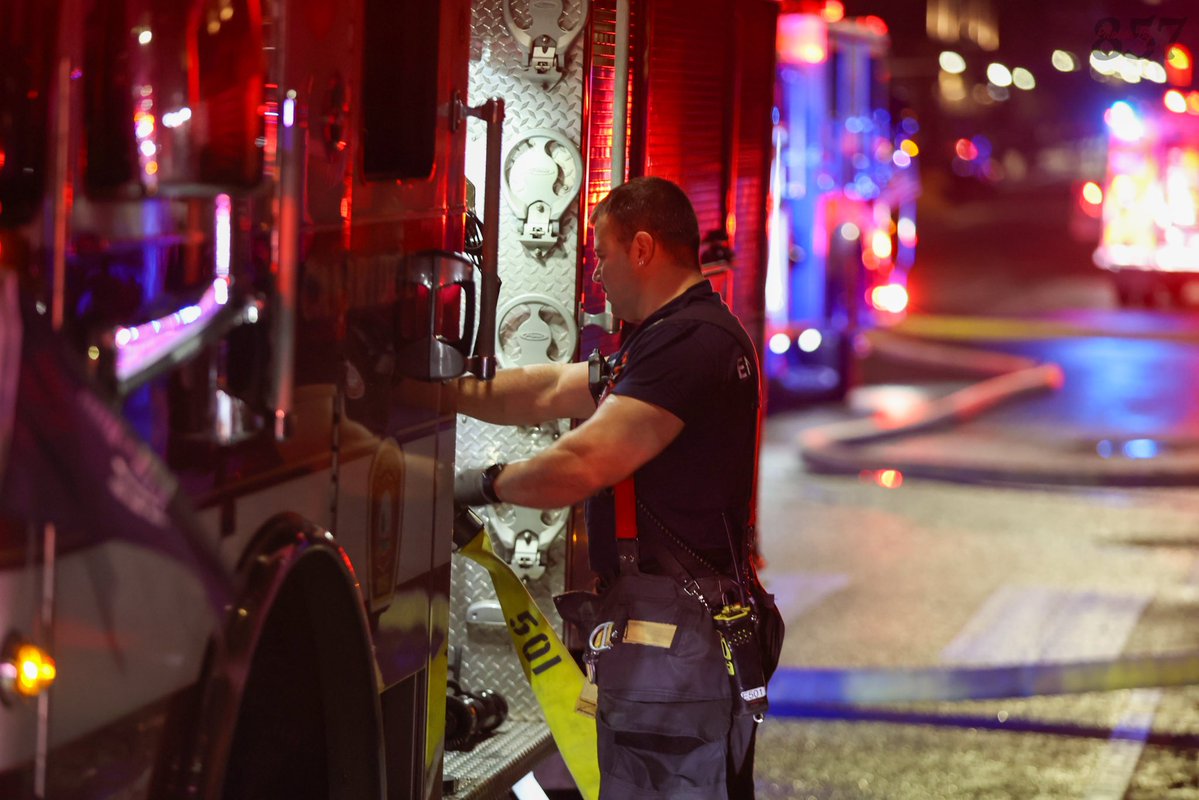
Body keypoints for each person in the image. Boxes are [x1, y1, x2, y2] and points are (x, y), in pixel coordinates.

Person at [451, 176, 782, 799]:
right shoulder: (669, 338)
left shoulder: (690, 346)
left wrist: (478, 484)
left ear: (643, 248)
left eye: (602, 253)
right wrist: (441, 393)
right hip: (676, 636)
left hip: (676, 646)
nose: (597, 272)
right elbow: (548, 389)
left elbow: (583, 462)